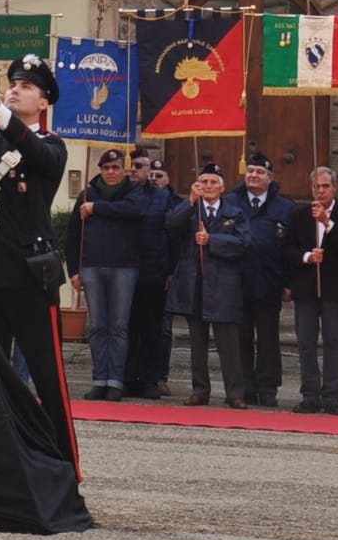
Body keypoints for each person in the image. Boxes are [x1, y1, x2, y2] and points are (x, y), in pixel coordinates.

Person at [0, 55, 78, 469]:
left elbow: (36, 157)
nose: (15, 89)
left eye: (26, 87)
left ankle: (65, 465)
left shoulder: (51, 144)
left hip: (29, 278)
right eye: (12, 84)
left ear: (44, 102)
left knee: (47, 377)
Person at [166, 163, 248, 408]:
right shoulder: (191, 209)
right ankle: (200, 390)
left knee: (229, 344)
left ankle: (235, 393)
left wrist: (212, 240)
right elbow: (170, 226)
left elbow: (243, 242)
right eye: (204, 182)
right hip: (195, 283)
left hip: (223, 285)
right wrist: (189, 201)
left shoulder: (235, 211)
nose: (208, 187)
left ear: (222, 187)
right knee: (197, 343)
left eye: (213, 182)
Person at [66, 148, 143, 402]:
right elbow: (73, 234)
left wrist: (97, 208)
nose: (111, 173)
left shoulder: (133, 191)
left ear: (124, 170)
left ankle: (116, 382)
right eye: (106, 168)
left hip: (123, 267)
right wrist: (74, 270)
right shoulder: (87, 193)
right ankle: (99, 379)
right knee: (98, 326)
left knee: (118, 326)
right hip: (91, 267)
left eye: (116, 168)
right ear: (100, 170)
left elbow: (133, 211)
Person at [283, 166, 338, 415]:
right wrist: (307, 256)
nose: (321, 190)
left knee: (334, 342)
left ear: (335, 188)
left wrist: (328, 224)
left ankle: (332, 396)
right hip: (306, 288)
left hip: (334, 288)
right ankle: (310, 394)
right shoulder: (298, 215)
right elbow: (286, 250)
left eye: (326, 186)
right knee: (305, 342)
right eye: (317, 186)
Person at [230, 151, 294, 407]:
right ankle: (245, 386)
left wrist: (288, 283)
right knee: (241, 338)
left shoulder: (285, 207)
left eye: (259, 172)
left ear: (270, 177)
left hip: (270, 281)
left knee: (268, 339)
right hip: (237, 282)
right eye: (250, 171)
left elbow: (290, 248)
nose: (253, 176)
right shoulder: (231, 202)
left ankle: (268, 387)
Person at [119, 151, 183, 400]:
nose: (133, 170)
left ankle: (148, 379)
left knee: (152, 330)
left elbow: (173, 236)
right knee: (126, 328)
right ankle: (124, 378)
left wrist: (170, 269)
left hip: (153, 271)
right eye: (131, 166)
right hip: (124, 269)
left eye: (139, 166)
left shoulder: (163, 197)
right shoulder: (121, 193)